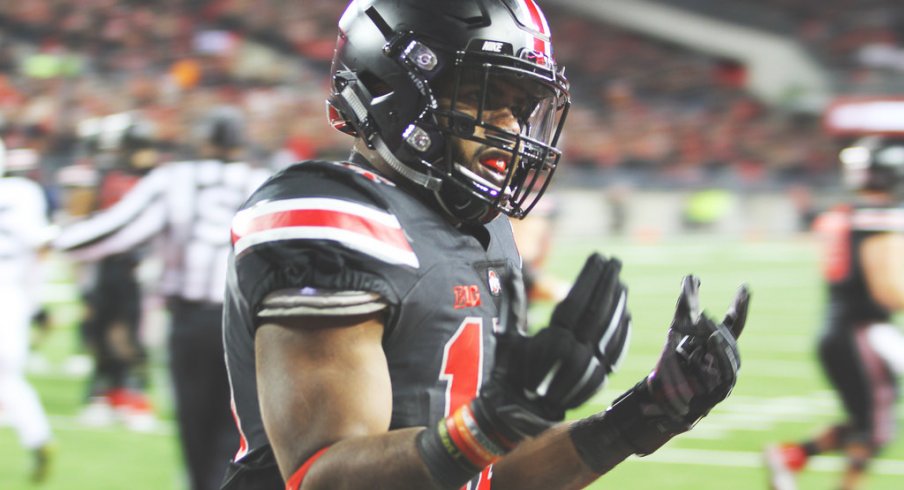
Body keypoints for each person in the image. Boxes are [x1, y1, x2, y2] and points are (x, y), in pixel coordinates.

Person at [220, 1, 751, 489]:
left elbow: (486, 474)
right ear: (396, 87)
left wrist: (639, 417)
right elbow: (323, 476)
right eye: (483, 97)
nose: (509, 128)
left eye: (520, 109)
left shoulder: (484, 231)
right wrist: (489, 426)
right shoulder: (331, 219)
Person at [53, 106, 272, 490]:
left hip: (193, 319)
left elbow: (116, 230)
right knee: (238, 430)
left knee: (195, 425)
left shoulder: (175, 178)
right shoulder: (265, 180)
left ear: (203, 139)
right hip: (250, 324)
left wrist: (54, 240)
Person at [765, 135, 904, 490]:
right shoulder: (879, 219)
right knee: (875, 430)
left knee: (864, 422)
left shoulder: (842, 215)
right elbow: (888, 291)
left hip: (837, 330)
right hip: (864, 334)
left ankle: (792, 456)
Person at [60, 112, 160, 430]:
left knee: (129, 334)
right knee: (104, 330)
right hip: (108, 263)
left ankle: (129, 394)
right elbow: (86, 214)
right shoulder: (104, 176)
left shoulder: (152, 179)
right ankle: (103, 394)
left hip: (135, 264)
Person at [0, 137, 56, 483]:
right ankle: (38, 437)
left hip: (11, 293)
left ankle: (39, 437)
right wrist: (34, 301)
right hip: (12, 295)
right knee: (7, 377)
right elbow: (41, 245)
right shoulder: (22, 193)